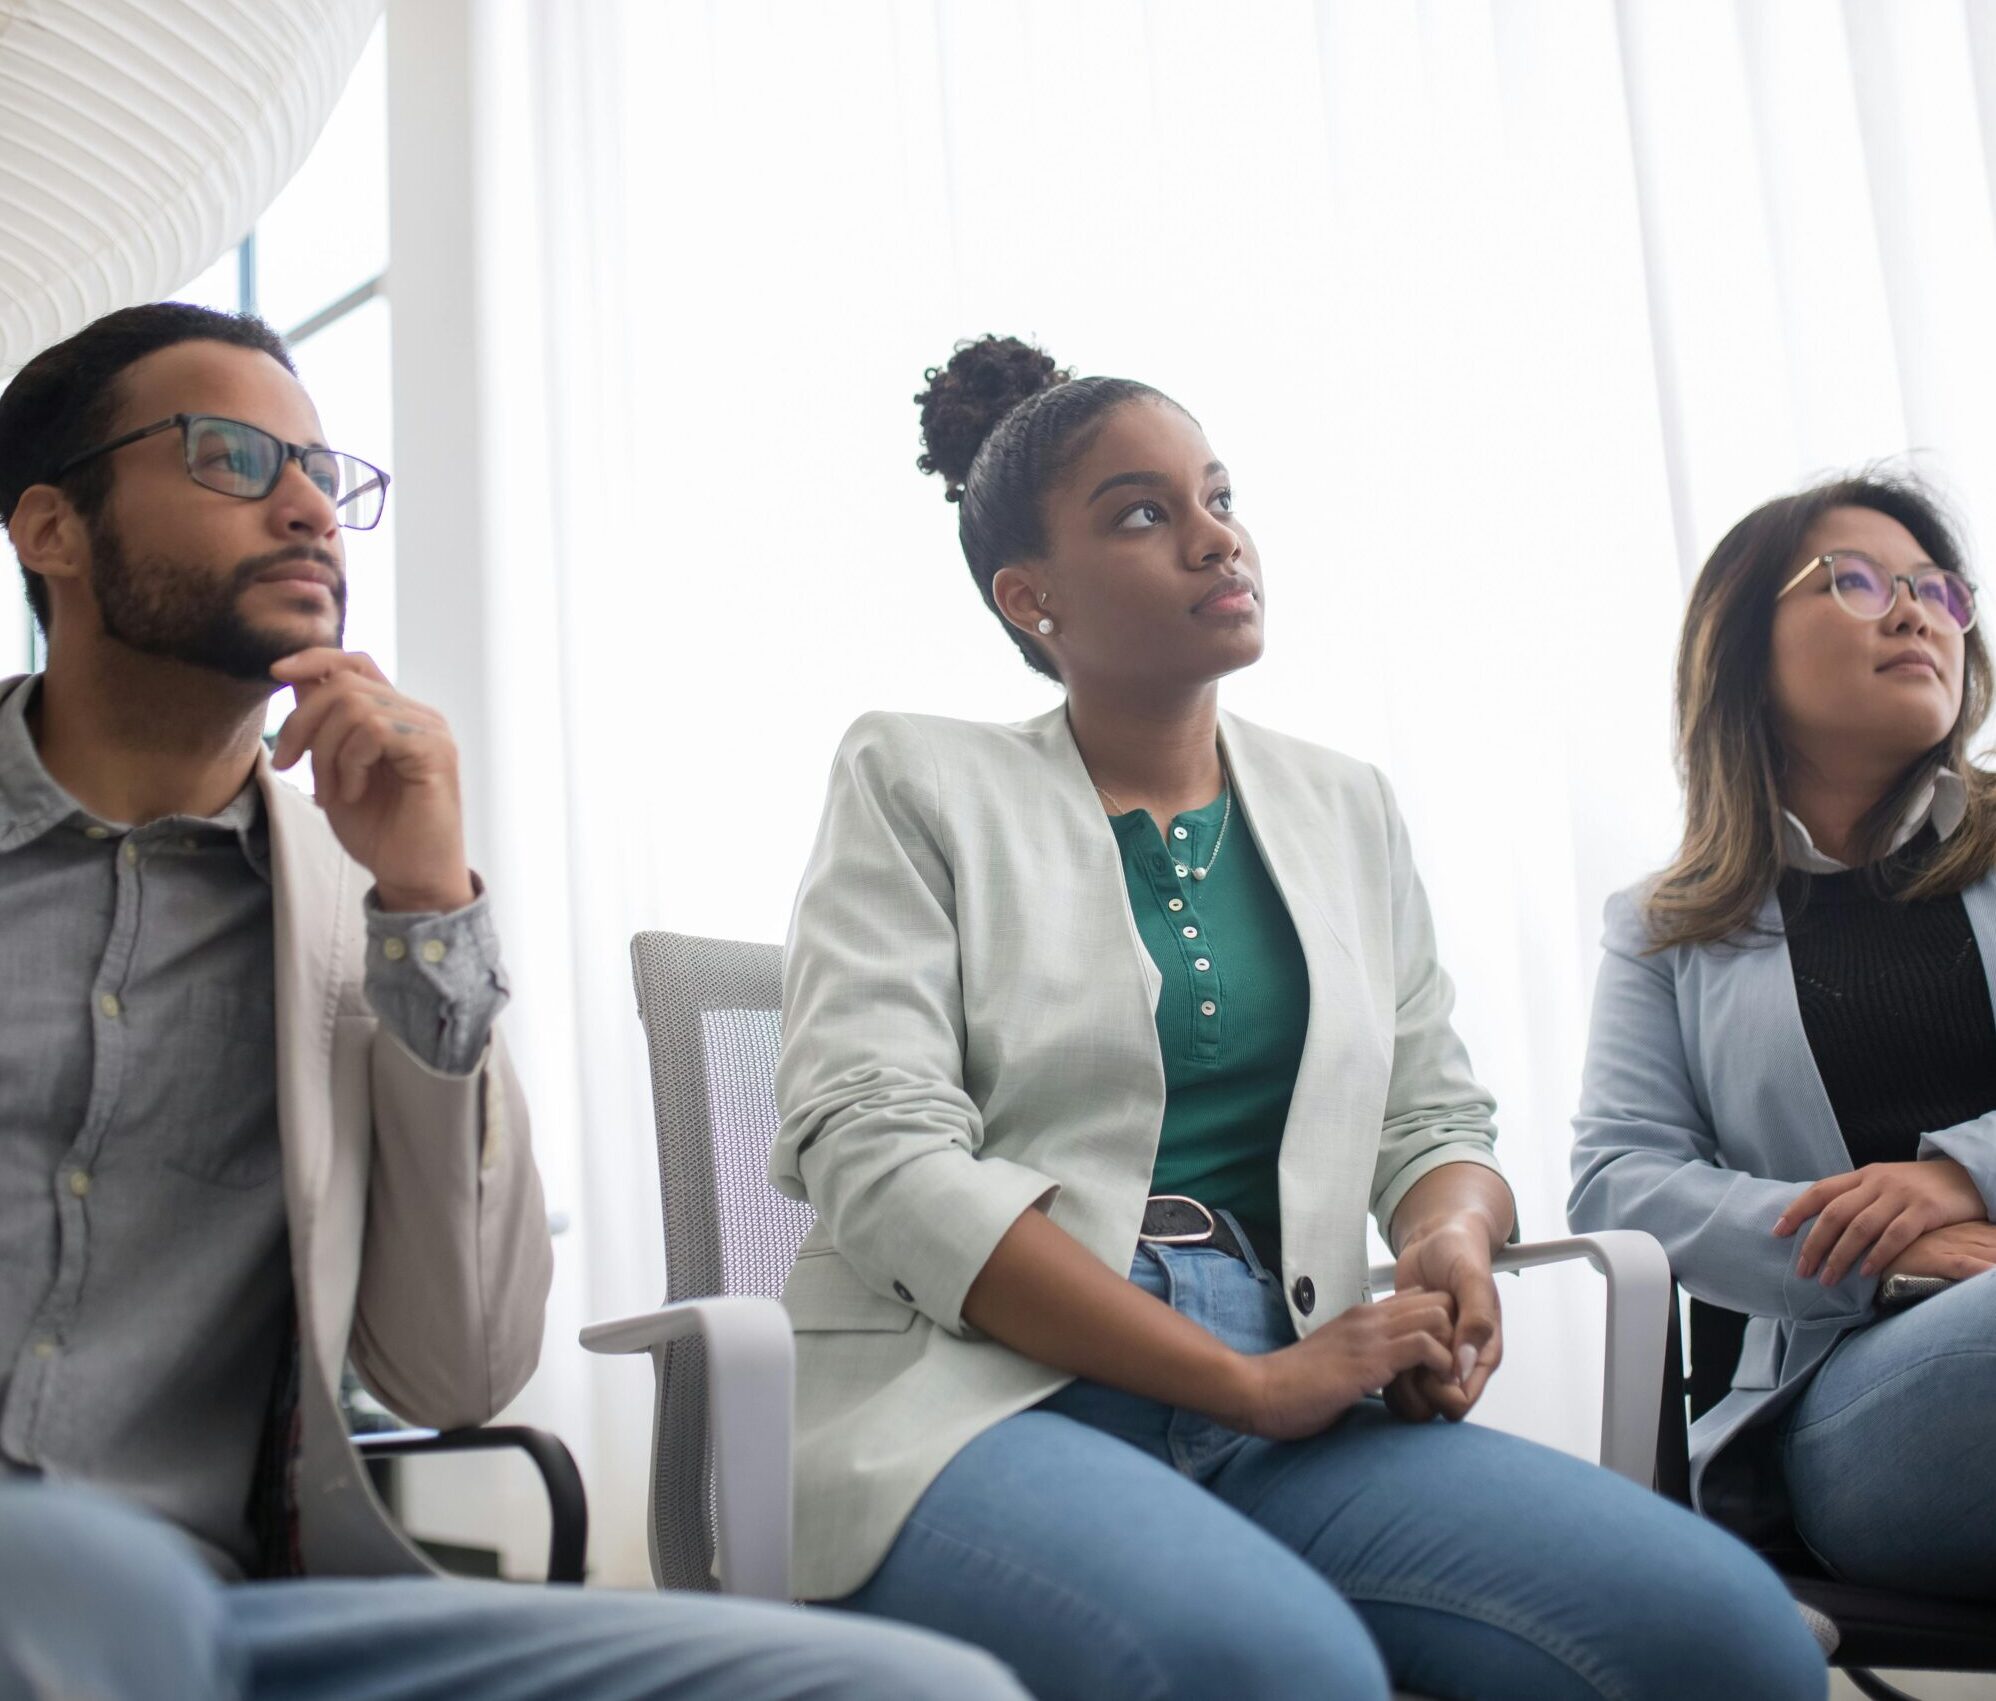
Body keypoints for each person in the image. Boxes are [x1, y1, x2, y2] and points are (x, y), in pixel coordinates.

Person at [770, 334, 1827, 1700]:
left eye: (1219, 497)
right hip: (975, 1398)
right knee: (1277, 1666)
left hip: (1295, 1372)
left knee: (1723, 1640)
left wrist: (1447, 1239)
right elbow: (883, 1159)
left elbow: (1433, 1115)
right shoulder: (915, 775)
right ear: (1030, 600)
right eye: (1144, 514)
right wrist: (1239, 1383)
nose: (1216, 540)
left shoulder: (1346, 805)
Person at [0, 302, 1026, 1701]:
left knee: (926, 1692)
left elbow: (458, 1370)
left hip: (236, 1617)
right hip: (70, 1602)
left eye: (323, 471)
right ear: (50, 529)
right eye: (234, 457)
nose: (309, 508)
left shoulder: (354, 912)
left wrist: (430, 910)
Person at [1571, 473, 1996, 1599]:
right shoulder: (1667, 929)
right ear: (1742, 647)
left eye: (1935, 590)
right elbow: (1618, 1183)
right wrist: (1879, 1252)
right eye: (1853, 583)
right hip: (1850, 1395)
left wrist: (1961, 1176)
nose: (1912, 612)